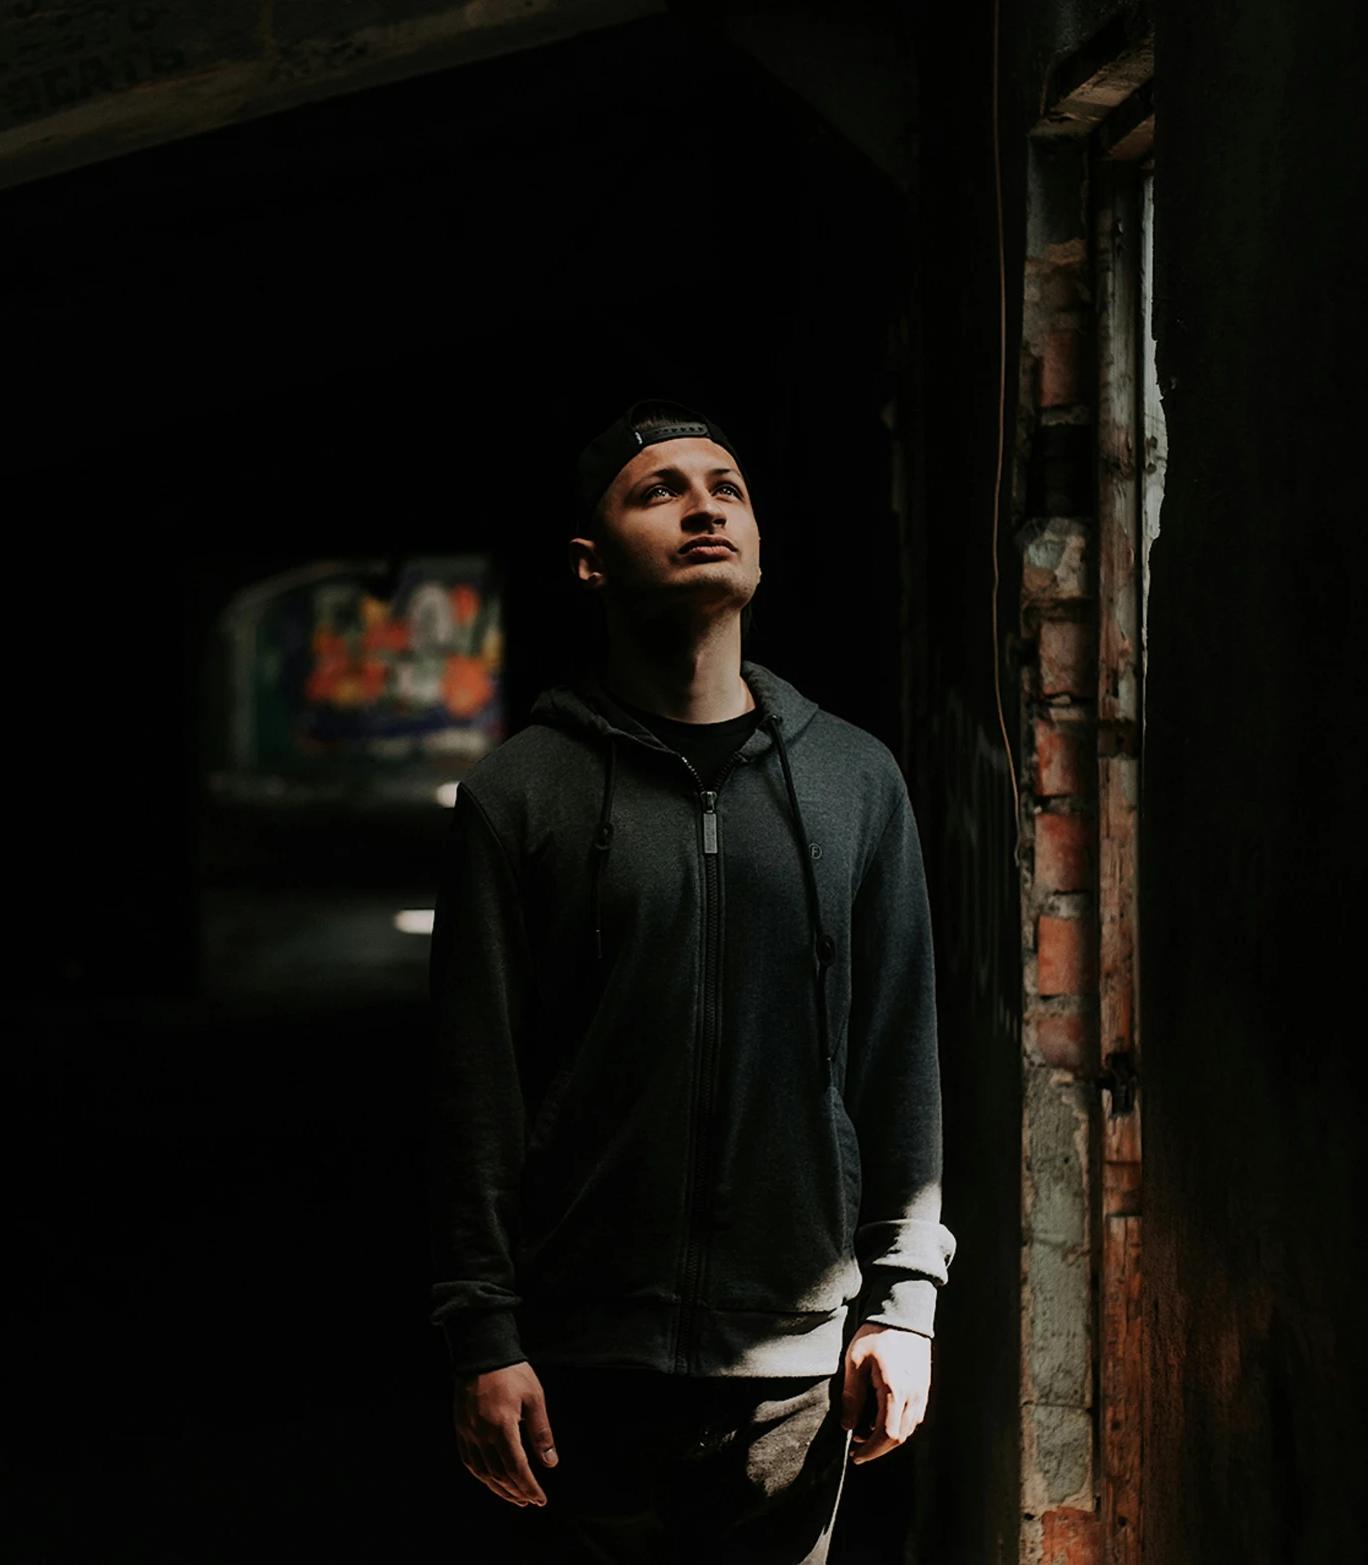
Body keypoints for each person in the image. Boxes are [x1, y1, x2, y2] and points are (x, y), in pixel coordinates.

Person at [425, 400, 955, 1563]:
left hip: (795, 1359)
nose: (705, 503)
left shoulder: (854, 781)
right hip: (580, 1363)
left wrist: (902, 1301)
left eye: (727, 484)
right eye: (659, 489)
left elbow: (897, 1050)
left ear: (758, 542)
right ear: (589, 560)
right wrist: (482, 1331)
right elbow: (476, 1084)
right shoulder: (519, 797)